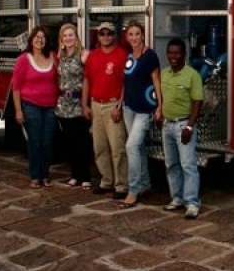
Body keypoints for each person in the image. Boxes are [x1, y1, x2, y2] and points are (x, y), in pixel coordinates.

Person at [82, 21, 129, 199]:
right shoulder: (93, 56)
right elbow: (87, 80)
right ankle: (106, 180)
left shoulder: (122, 55)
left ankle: (121, 185)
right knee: (99, 146)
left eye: (109, 33)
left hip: (113, 105)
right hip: (96, 104)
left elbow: (126, 82)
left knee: (117, 147)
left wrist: (119, 105)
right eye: (102, 34)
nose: (106, 37)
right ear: (98, 36)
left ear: (115, 35)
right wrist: (84, 104)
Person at [119, 21, 162, 209]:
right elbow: (126, 81)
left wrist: (160, 106)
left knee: (131, 146)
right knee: (139, 148)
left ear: (142, 35)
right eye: (131, 34)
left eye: (137, 34)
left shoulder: (150, 56)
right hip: (129, 107)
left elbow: (156, 80)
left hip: (145, 109)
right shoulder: (129, 56)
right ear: (127, 37)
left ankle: (133, 190)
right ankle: (145, 183)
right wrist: (120, 101)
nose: (134, 37)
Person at [159, 37, 203, 219]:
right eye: (170, 53)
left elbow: (197, 103)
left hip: (184, 125)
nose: (173, 56)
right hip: (167, 125)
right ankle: (177, 198)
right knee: (171, 164)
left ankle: (192, 203)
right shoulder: (164, 74)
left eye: (177, 53)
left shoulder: (192, 75)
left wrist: (190, 127)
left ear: (184, 54)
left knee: (188, 165)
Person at [12, 25, 58, 189]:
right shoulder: (23, 59)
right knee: (35, 142)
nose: (40, 40)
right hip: (31, 105)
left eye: (43, 37)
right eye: (37, 37)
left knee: (47, 142)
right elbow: (16, 87)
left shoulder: (53, 57)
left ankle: (45, 174)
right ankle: (35, 176)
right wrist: (18, 110)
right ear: (31, 40)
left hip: (50, 107)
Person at [55, 23, 92, 189]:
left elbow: (89, 79)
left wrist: (86, 103)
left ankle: (85, 176)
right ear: (61, 39)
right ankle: (74, 175)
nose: (68, 38)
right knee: (69, 141)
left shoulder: (84, 55)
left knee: (82, 141)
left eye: (71, 35)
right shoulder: (60, 56)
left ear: (76, 37)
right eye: (65, 36)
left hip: (79, 103)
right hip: (64, 104)